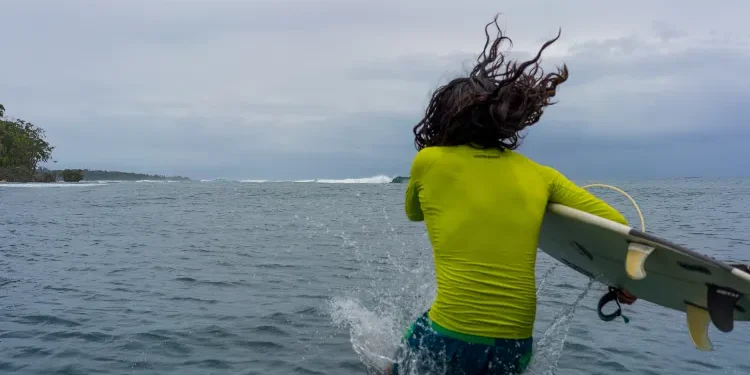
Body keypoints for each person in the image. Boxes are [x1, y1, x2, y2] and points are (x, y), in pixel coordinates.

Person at [386, 14, 637, 375]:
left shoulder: (429, 162)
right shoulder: (540, 175)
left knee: (394, 367)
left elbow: (413, 213)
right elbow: (616, 224)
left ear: (443, 118)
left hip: (449, 334)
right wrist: (622, 281)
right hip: (515, 345)